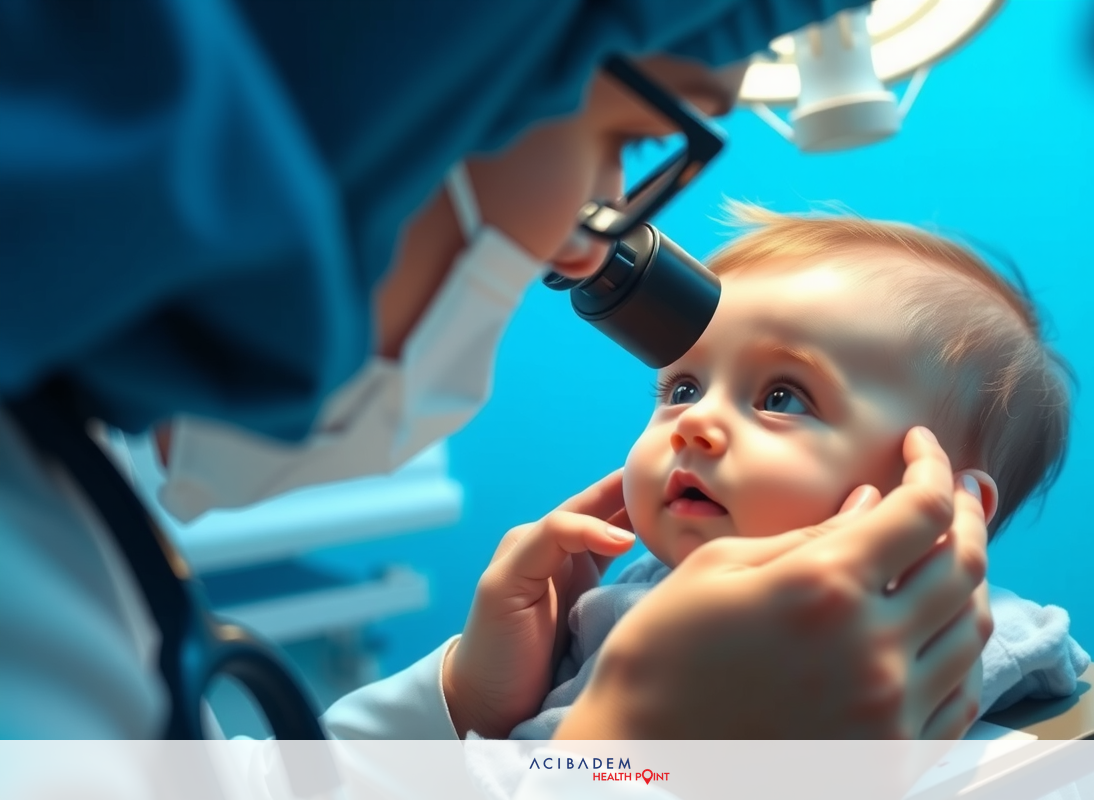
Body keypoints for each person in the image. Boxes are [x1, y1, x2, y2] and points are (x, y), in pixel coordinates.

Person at [2, 1, 993, 796]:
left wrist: (461, 709)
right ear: (391, 68)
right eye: (633, 137)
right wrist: (634, 754)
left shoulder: (51, 477)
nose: (588, 246)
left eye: (782, 394)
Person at [439, 205, 1085, 741]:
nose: (694, 424)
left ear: (936, 496)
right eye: (683, 387)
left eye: (782, 398)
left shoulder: (950, 647)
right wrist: (476, 701)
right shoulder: (609, 609)